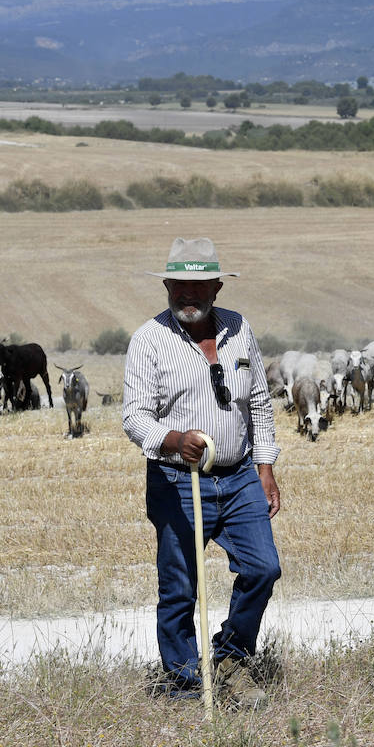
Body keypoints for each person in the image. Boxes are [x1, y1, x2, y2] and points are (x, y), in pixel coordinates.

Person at [122, 237, 282, 708]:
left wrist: (265, 467)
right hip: (177, 480)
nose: (187, 295)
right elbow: (134, 417)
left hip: (237, 477)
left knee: (263, 568)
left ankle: (230, 657)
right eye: (179, 286)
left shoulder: (238, 327)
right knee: (180, 588)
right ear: (167, 285)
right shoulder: (149, 340)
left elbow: (258, 401)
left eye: (198, 285)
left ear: (216, 286)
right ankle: (185, 681)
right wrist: (174, 440)